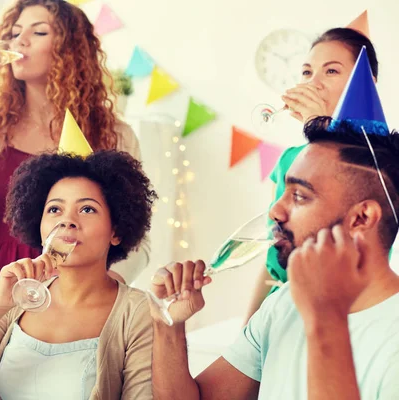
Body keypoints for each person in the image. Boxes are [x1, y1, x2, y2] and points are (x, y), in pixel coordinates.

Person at [150, 114, 399, 399]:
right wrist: (167, 323)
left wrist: (326, 318)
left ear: (362, 218)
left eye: (300, 195)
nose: (275, 211)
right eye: (284, 191)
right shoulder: (284, 302)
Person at [0, 150, 156, 399]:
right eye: (55, 209)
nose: (67, 221)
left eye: (87, 209)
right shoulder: (18, 299)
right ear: (39, 224)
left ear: (116, 232)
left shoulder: (139, 313)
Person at [244, 27, 382, 323]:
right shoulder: (289, 159)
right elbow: (275, 251)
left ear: (366, 82)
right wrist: (249, 325)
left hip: (345, 316)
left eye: (331, 71)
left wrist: (319, 127)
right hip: (282, 312)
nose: (313, 83)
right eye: (307, 73)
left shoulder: (382, 160)